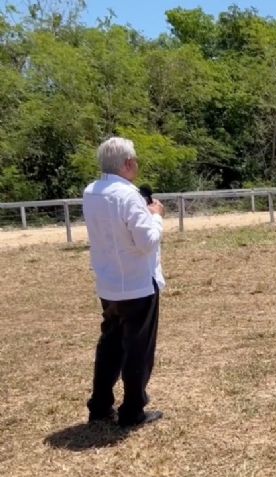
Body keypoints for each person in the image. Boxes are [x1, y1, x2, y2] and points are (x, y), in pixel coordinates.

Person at [82, 137, 166, 427]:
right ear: (128, 163)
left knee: (110, 345)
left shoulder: (91, 192)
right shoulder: (128, 196)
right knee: (138, 349)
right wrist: (156, 216)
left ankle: (100, 405)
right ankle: (133, 410)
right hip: (138, 282)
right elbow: (147, 241)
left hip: (108, 282)